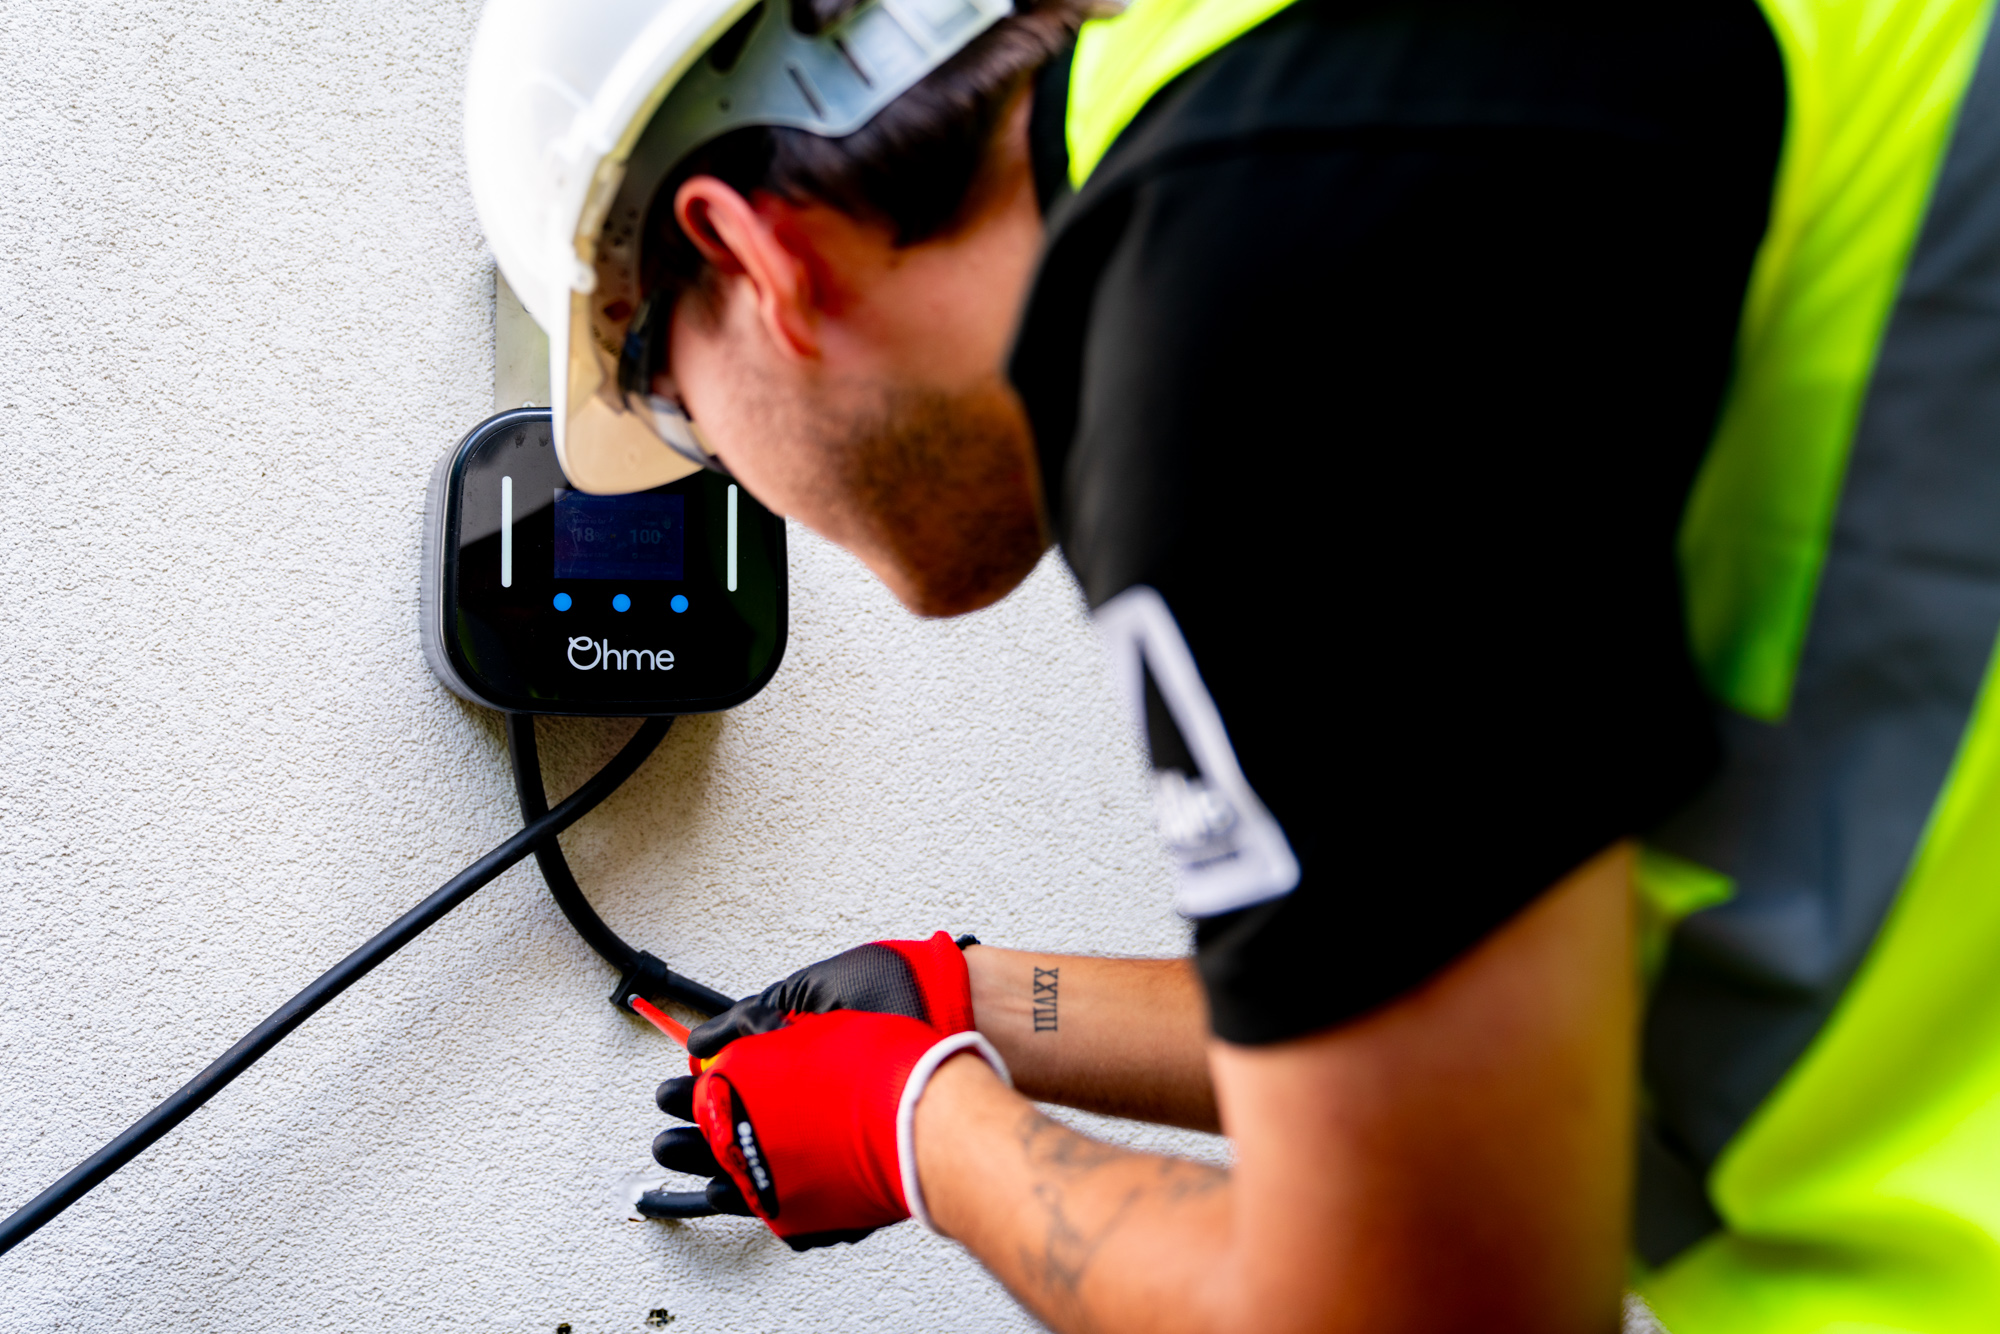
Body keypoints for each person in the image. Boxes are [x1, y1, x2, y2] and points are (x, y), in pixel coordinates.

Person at [463, 0, 2000, 1327]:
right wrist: (965, 998)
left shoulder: (1248, 291)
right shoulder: (1329, 111)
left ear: (752, 252)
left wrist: (919, 1128)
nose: (720, 472)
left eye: (671, 407)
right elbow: (1479, 1028)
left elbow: (1429, 1306)